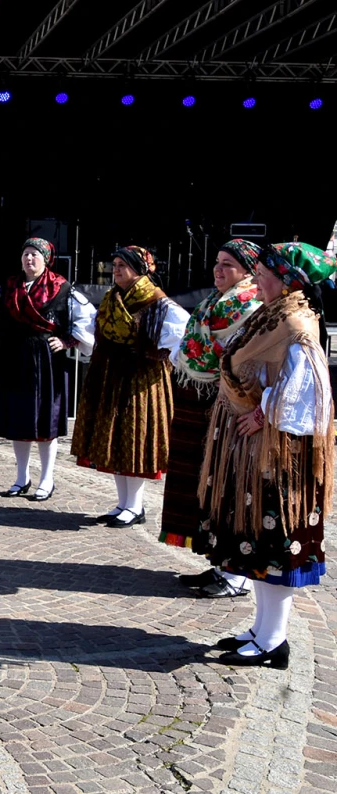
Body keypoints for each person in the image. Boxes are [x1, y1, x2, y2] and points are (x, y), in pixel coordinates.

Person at [199, 242, 335, 669]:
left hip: (280, 456)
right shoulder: (271, 315)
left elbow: (307, 393)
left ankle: (274, 641)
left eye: (263, 274)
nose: (255, 280)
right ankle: (261, 629)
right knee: (254, 540)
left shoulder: (296, 324)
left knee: (274, 543)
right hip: (255, 451)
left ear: (288, 281)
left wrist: (262, 414)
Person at [161, 240, 262, 598]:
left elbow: (246, 361)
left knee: (227, 482)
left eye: (228, 264)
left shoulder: (252, 306)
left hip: (232, 406)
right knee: (203, 481)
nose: (218, 270)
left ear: (248, 270)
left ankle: (236, 575)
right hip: (201, 400)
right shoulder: (212, 304)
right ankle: (220, 562)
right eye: (217, 262)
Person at [70, 245, 189, 527]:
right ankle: (123, 503)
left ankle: (134, 506)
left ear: (139, 269)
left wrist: (159, 354)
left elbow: (183, 335)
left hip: (140, 381)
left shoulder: (157, 302)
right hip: (110, 375)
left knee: (134, 440)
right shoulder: (112, 297)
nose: (116, 270)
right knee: (116, 440)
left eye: (122, 265)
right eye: (114, 265)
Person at [0, 238, 96, 500]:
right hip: (14, 361)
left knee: (45, 422)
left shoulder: (62, 288)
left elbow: (86, 322)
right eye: (26, 254)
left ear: (46, 259)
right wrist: (1, 343)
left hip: (46, 363)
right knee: (19, 420)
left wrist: (67, 341)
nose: (29, 259)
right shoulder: (8, 287)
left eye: (35, 255)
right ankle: (22, 478)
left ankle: (47, 479)